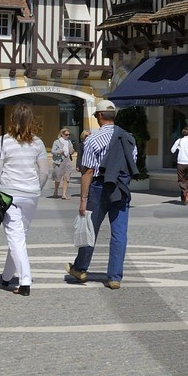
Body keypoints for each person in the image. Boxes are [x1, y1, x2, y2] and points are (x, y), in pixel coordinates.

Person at [67, 101, 137, 290]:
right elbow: (133, 163)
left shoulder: (93, 139)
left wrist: (83, 199)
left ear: (99, 116)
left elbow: (87, 171)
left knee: (90, 228)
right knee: (120, 233)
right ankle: (115, 277)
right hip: (121, 188)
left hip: (99, 187)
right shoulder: (129, 138)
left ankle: (80, 268)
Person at [0, 102, 52, 297]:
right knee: (19, 237)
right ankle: (7, 276)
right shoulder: (38, 143)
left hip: (9, 194)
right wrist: (36, 189)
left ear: (12, 119)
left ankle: (25, 282)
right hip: (31, 195)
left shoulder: (2, 141)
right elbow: (44, 172)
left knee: (16, 237)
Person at [169, 125, 188, 205]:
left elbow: (172, 150)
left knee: (181, 180)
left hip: (181, 162)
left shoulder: (179, 141)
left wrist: (179, 148)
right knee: (187, 180)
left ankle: (186, 192)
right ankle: (184, 198)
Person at [50, 127, 75, 199]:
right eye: (66, 134)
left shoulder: (69, 142)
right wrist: (58, 152)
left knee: (67, 177)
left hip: (67, 160)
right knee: (58, 178)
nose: (68, 136)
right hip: (59, 161)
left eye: (69, 135)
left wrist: (72, 151)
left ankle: (64, 194)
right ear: (62, 134)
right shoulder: (57, 142)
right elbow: (52, 151)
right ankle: (56, 191)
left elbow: (71, 150)